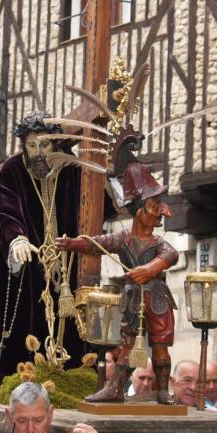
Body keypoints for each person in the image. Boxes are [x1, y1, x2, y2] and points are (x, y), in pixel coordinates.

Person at [0, 112, 88, 395]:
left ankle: (67, 374)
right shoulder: (13, 170)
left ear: (56, 145)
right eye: (32, 146)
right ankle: (20, 376)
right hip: (28, 262)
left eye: (45, 146)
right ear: (23, 146)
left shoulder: (71, 169)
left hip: (67, 263)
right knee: (23, 315)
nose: (39, 153)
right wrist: (16, 240)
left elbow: (95, 206)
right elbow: (6, 210)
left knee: (71, 322)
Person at [56, 161, 178, 404]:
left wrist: (149, 269)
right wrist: (72, 244)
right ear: (140, 211)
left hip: (157, 300)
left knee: (161, 346)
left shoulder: (159, 243)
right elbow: (96, 243)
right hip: (133, 300)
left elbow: (171, 254)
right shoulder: (122, 239)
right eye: (155, 207)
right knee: (127, 346)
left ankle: (163, 390)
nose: (161, 212)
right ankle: (115, 389)